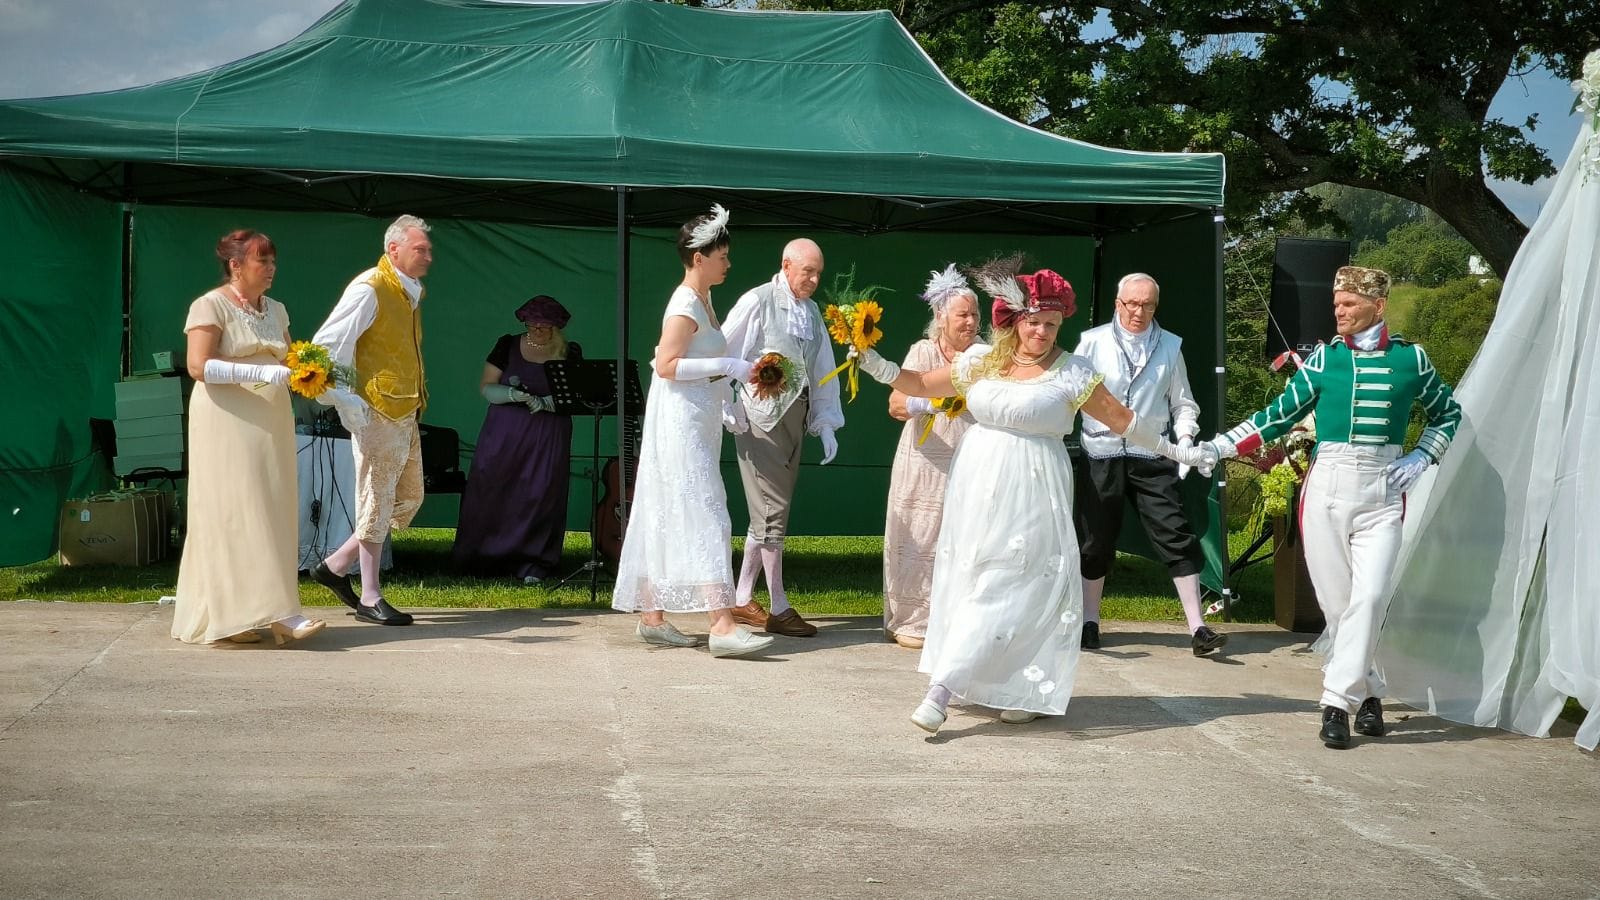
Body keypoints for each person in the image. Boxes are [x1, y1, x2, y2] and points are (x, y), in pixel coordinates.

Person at [850, 256, 1211, 734]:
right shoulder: (981, 361)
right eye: (1035, 322)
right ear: (1017, 320)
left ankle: (942, 689)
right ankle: (1019, 688)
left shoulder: (1073, 372)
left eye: (1052, 325)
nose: (1041, 332)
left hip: (1035, 485)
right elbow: (917, 384)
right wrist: (873, 362)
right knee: (974, 580)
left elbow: (1123, 420)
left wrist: (1177, 451)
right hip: (977, 482)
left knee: (1011, 585)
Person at [1196, 265, 1462, 749]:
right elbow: (1278, 418)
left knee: (1371, 596)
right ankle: (1371, 692)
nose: (1338, 310)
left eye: (1349, 303)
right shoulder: (1323, 360)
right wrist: (1220, 446)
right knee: (1340, 608)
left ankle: (1336, 702)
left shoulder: (1412, 359)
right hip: (1327, 488)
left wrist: (1423, 455)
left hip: (1383, 492)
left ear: (1378, 305)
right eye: (1336, 302)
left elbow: (1448, 413)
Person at [610, 204, 775, 659]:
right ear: (699, 258)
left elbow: (701, 364)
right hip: (680, 421)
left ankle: (652, 618)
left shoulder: (704, 301)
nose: (728, 263)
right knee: (707, 511)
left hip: (698, 419)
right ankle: (722, 624)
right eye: (722, 256)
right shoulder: (684, 304)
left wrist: (730, 395)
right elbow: (666, 365)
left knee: (668, 507)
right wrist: (728, 365)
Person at [170, 230, 325, 647]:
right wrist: (258, 371)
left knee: (272, 507)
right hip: (226, 420)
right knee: (235, 511)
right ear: (235, 265)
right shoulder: (210, 305)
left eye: (273, 261)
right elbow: (198, 366)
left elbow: (291, 359)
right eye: (263, 261)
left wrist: (316, 376)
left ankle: (267, 612)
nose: (271, 269)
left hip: (270, 419)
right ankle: (242, 616)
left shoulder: (277, 309)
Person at [1072, 273, 1224, 655]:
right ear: (1117, 304)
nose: (1139, 312)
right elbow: (1072, 395)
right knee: (1095, 539)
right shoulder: (1091, 342)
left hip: (1152, 454)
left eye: (1148, 305)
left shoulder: (1170, 345)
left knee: (1175, 532)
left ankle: (1198, 627)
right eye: (1132, 304)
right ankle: (1089, 621)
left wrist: (1184, 439)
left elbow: (1183, 403)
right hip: (1101, 452)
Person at [304, 214, 435, 626]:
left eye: (428, 249)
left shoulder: (408, 291)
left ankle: (335, 566)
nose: (428, 256)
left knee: (408, 497)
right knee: (376, 501)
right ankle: (370, 595)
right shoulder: (371, 287)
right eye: (420, 249)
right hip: (376, 410)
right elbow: (326, 345)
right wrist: (341, 397)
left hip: (405, 409)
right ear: (393, 249)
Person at [719, 238, 845, 637]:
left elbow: (822, 367)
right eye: (808, 271)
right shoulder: (758, 301)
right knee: (772, 510)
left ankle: (741, 597)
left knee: (769, 512)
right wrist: (728, 403)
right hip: (760, 419)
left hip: (795, 418)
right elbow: (724, 352)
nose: (814, 280)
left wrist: (825, 421)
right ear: (786, 265)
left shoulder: (811, 312)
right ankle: (779, 605)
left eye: (818, 273)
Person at [881, 265, 981, 650]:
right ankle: (912, 619)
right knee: (919, 537)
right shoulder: (922, 352)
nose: (971, 321)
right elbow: (896, 403)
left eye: (975, 314)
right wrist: (933, 403)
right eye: (962, 314)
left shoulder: (985, 356)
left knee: (966, 537)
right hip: (923, 462)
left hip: (970, 459)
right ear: (941, 317)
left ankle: (958, 620)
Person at [451, 295, 580, 584]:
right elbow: (486, 386)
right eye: (532, 324)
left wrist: (547, 403)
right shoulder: (507, 344)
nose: (537, 330)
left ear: (556, 327)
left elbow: (574, 394)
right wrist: (512, 394)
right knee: (493, 485)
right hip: (505, 430)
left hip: (548, 432)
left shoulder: (569, 352)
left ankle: (534, 561)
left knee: (541, 490)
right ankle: (483, 556)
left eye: (543, 326)